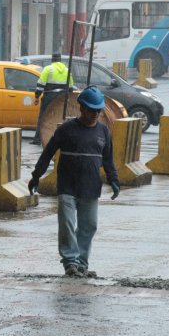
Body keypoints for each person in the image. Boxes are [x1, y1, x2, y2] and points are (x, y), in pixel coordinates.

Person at [27, 86, 120, 278]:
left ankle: (82, 263)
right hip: (67, 186)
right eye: (91, 110)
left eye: (98, 110)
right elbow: (48, 153)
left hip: (91, 187)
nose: (95, 114)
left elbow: (108, 159)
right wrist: (36, 176)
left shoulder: (103, 132)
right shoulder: (66, 130)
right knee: (67, 225)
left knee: (89, 226)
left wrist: (114, 179)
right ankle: (70, 262)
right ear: (81, 108)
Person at [33, 52, 74, 145]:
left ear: (52, 59)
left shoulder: (48, 69)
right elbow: (71, 87)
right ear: (60, 60)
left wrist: (36, 96)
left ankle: (38, 139)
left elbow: (40, 85)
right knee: (61, 117)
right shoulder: (67, 70)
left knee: (43, 116)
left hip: (49, 96)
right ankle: (63, 138)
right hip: (62, 98)